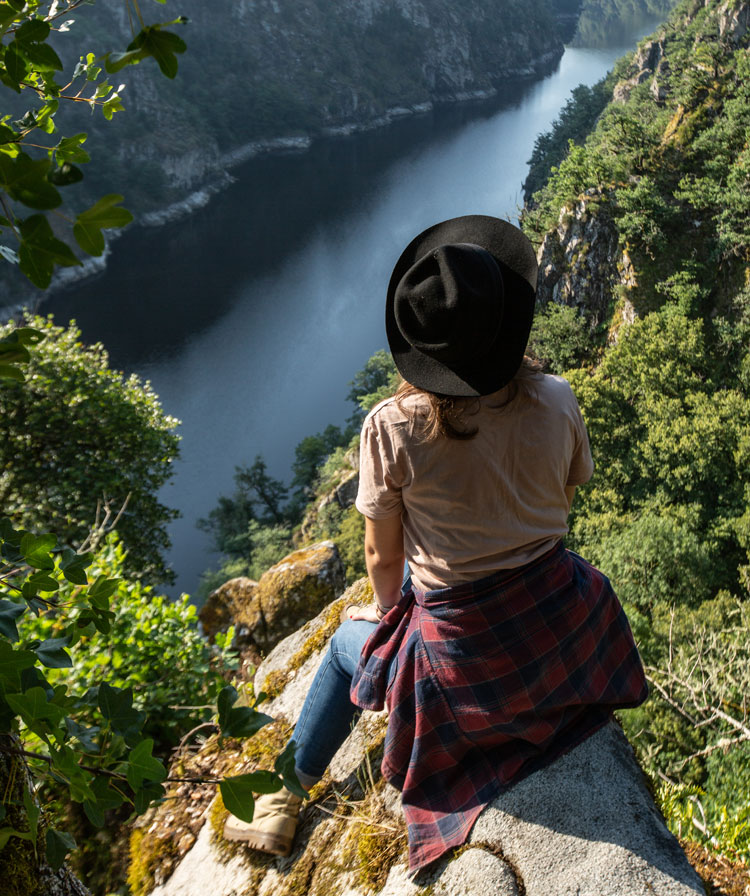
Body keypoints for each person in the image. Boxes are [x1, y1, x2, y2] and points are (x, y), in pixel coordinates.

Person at [223, 215, 648, 870]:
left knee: (342, 647)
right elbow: (567, 494)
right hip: (561, 619)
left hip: (461, 660)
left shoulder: (392, 425)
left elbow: (381, 558)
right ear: (508, 324)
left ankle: (283, 795)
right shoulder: (558, 398)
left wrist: (388, 612)